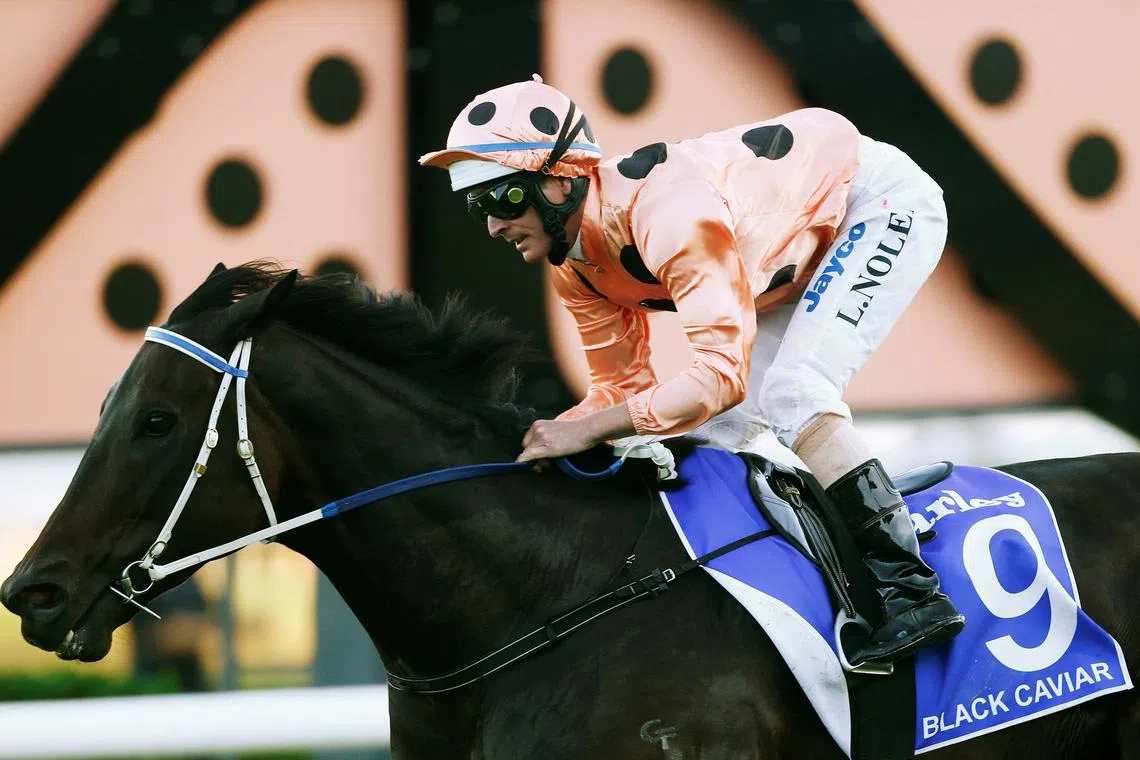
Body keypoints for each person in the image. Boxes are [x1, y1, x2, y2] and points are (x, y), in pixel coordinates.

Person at [419, 75, 964, 666]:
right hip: (791, 254)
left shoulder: (668, 213)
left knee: (795, 394)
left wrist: (586, 429)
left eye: (501, 198)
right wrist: (531, 443)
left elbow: (721, 376)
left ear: (559, 181)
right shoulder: (571, 267)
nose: (493, 226)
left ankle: (911, 589)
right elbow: (620, 392)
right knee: (710, 440)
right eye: (477, 205)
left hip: (874, 204)